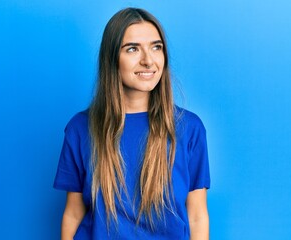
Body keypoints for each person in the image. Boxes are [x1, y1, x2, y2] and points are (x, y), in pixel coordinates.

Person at [53, 7, 210, 240]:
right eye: (133, 49)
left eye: (156, 47)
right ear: (112, 58)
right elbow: (74, 213)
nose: (148, 60)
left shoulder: (189, 128)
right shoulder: (80, 128)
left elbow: (197, 214)